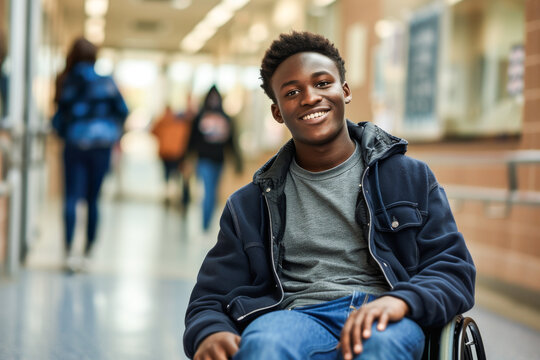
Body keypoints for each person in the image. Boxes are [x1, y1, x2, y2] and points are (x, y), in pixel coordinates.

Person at [183, 31, 475, 360]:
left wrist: (403, 301)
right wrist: (211, 331)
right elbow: (210, 297)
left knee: (379, 347)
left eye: (322, 83)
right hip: (295, 315)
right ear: (278, 111)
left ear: (344, 91)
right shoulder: (249, 205)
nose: (310, 97)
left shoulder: (408, 178)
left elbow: (454, 270)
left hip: (384, 313)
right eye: (292, 92)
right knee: (264, 345)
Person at [52, 37, 128, 272]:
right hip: (101, 146)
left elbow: (59, 116)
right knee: (94, 200)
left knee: (71, 198)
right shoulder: (106, 81)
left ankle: (68, 254)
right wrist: (109, 130)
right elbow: (123, 111)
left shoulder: (66, 79)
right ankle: (87, 252)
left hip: (75, 144)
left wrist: (67, 132)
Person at [187, 85, 242, 230]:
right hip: (203, 160)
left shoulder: (226, 118)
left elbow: (232, 141)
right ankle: (205, 226)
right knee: (209, 192)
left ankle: (207, 224)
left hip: (219, 160)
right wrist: (185, 158)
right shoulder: (200, 116)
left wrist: (238, 161)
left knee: (214, 193)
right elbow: (191, 140)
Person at [151, 102, 193, 207]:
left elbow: (153, 131)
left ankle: (169, 197)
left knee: (168, 176)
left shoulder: (163, 120)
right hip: (176, 153)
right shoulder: (179, 122)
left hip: (167, 153)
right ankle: (174, 198)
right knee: (176, 177)